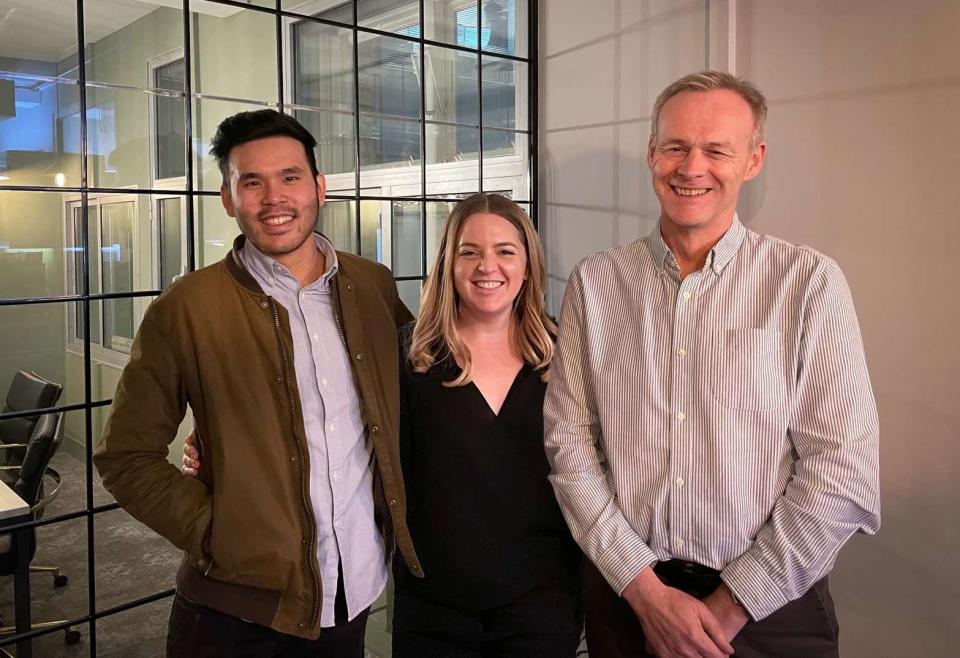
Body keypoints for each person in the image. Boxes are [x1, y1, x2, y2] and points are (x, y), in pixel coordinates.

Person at [543, 71, 880, 658]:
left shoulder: (806, 285)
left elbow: (842, 469)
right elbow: (569, 443)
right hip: (628, 603)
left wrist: (727, 610)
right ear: (653, 154)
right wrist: (647, 595)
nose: (691, 166)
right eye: (675, 146)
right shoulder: (596, 283)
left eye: (716, 149)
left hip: (768, 613)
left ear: (753, 160)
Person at [94, 109, 422, 657]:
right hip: (232, 613)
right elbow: (125, 456)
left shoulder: (372, 285)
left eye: (290, 177)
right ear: (228, 198)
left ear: (318, 186)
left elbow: (424, 382)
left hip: (350, 592)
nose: (274, 198)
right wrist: (217, 532)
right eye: (252, 181)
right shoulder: (187, 308)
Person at [391, 194, 583, 657]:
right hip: (432, 607)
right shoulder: (409, 356)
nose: (486, 266)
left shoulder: (566, 351)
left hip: (541, 604)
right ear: (448, 263)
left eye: (504, 251)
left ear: (527, 263)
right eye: (469, 251)